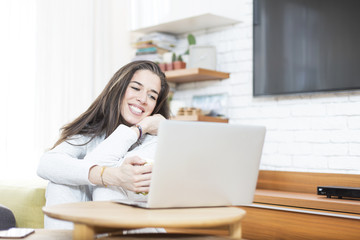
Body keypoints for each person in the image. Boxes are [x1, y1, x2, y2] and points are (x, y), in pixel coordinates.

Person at [37, 60, 170, 229]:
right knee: (59, 183)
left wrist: (144, 128)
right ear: (118, 89)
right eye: (136, 88)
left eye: (152, 96)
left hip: (138, 228)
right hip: (91, 226)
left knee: (107, 188)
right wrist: (112, 175)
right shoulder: (91, 135)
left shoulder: (155, 140)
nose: (143, 99)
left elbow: (100, 161)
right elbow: (47, 164)